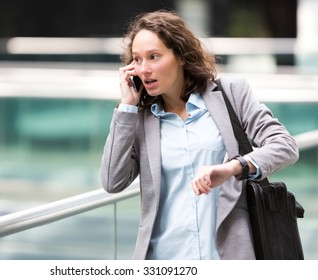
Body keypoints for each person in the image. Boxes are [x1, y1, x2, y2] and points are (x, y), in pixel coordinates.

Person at [100, 10, 299, 260]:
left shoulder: (231, 94)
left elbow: (285, 145)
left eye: (154, 57)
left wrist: (233, 168)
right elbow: (111, 181)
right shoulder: (139, 118)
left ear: (180, 55)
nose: (144, 69)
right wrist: (126, 107)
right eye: (137, 60)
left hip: (227, 257)